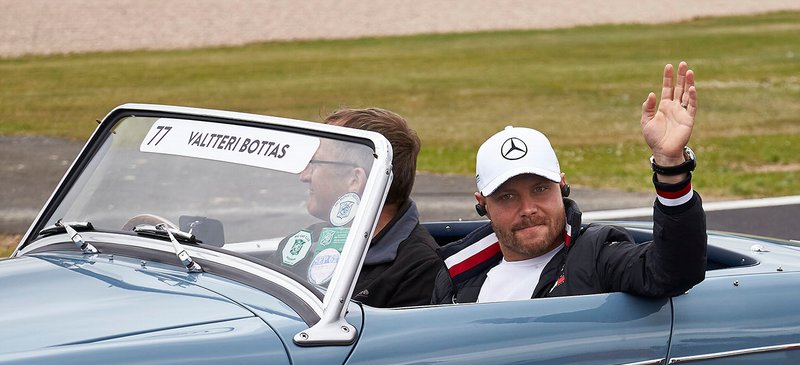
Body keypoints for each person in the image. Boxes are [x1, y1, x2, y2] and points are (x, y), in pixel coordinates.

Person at [432, 62, 707, 304]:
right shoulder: (456, 275)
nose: (528, 208)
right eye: (507, 197)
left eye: (540, 189)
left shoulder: (596, 256)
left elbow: (674, 271)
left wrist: (671, 165)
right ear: (483, 205)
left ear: (562, 187)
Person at [277, 107, 443, 308]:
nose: (304, 175)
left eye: (315, 162)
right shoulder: (305, 242)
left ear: (354, 180)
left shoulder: (418, 269)